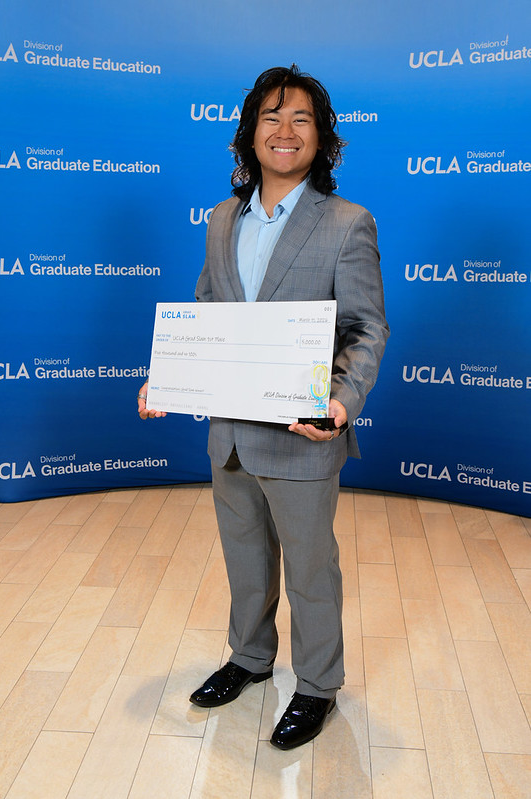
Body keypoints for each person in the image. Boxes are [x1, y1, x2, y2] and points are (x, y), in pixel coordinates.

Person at [138, 65, 389, 750]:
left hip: (303, 432)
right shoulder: (222, 219)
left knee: (310, 569)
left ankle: (315, 686)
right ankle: (248, 658)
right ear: (248, 135)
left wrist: (341, 402)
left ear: (322, 139)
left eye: (301, 119)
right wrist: (167, 376)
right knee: (244, 556)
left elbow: (367, 329)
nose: (284, 131)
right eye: (271, 118)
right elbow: (207, 312)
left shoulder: (346, 224)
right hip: (230, 432)